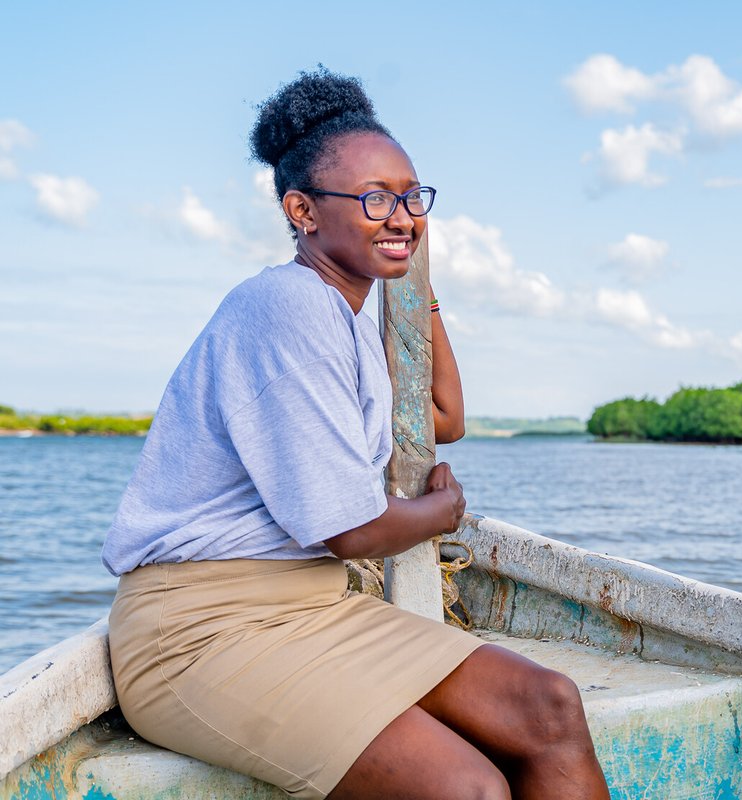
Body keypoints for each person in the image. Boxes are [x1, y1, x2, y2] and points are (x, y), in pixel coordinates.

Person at [101, 68, 610, 800]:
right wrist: (440, 514)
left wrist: (410, 271)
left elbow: (442, 416)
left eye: (412, 197)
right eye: (375, 198)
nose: (401, 213)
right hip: (200, 633)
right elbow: (350, 528)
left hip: (313, 608)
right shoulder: (286, 308)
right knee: (466, 789)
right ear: (302, 210)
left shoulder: (345, 319)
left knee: (549, 707)